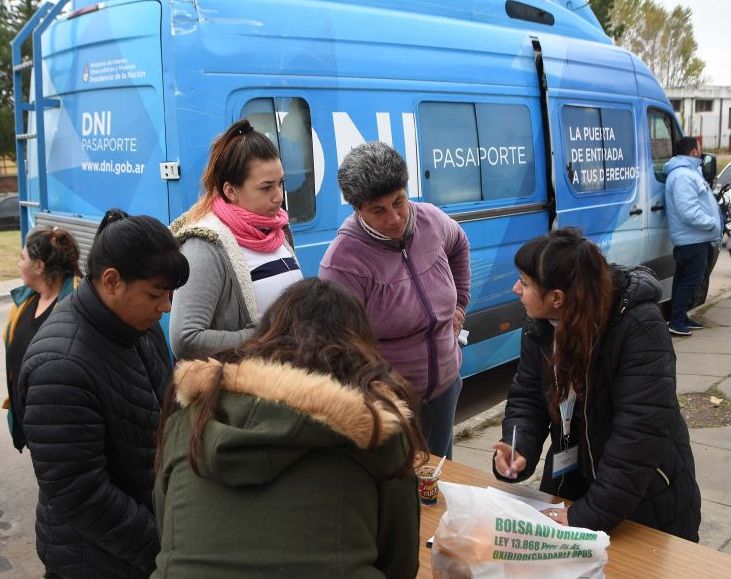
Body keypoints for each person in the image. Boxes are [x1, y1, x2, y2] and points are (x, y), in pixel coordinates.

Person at [152, 278, 425, 578]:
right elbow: (401, 563)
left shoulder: (190, 421)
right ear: (357, 348)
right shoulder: (375, 428)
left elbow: (169, 533)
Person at [492, 228, 701, 541]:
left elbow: (638, 435)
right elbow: (528, 396)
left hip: (642, 500)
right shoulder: (540, 324)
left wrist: (588, 516)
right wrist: (517, 446)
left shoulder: (639, 326)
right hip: (575, 482)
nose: (515, 289)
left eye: (524, 282)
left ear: (557, 298)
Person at [17, 210, 189, 578]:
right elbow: (80, 495)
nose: (167, 307)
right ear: (112, 281)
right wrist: (165, 546)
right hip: (96, 562)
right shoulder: (59, 366)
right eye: (156, 294)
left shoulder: (140, 326)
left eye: (171, 294)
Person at [319, 142, 470, 459]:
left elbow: (459, 244)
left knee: (440, 480)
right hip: (390, 406)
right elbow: (335, 347)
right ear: (358, 210)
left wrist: (460, 304)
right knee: (403, 493)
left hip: (444, 388)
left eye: (399, 202)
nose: (394, 217)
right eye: (378, 210)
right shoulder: (343, 262)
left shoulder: (431, 220)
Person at [170, 119, 302, 359]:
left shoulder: (277, 228)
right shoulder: (205, 245)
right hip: (240, 389)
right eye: (266, 187)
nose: (279, 197)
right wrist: (268, 338)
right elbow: (185, 339)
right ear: (231, 191)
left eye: (281, 183)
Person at [3, 227, 81, 452]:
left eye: (22, 258)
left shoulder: (77, 303)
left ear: (39, 266)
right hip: (33, 425)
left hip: (65, 430)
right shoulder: (24, 303)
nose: (18, 264)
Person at [664, 136, 722, 336]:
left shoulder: (689, 172)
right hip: (692, 239)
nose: (701, 150)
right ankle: (676, 321)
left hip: (696, 238)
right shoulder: (682, 176)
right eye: (699, 148)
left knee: (683, 280)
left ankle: (680, 316)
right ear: (693, 152)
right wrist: (711, 223)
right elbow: (688, 210)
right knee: (691, 280)